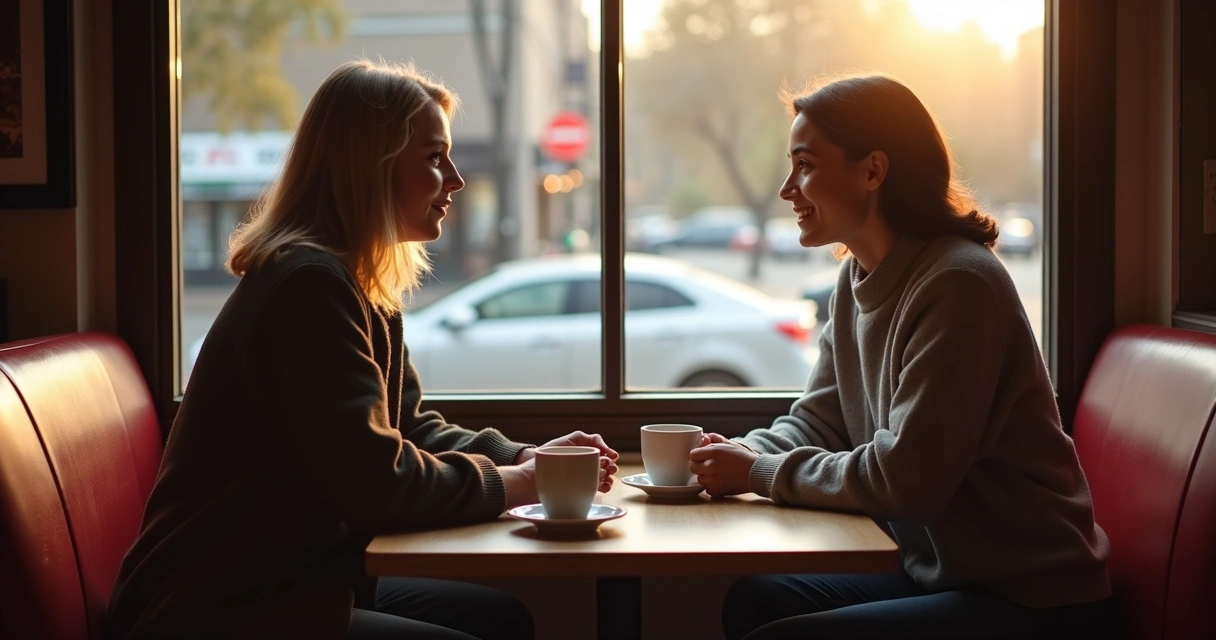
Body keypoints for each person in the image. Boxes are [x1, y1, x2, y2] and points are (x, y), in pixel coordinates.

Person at [106, 59, 618, 640]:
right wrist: (519, 482)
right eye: (434, 157)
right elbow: (380, 487)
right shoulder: (306, 287)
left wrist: (527, 455)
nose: (455, 179)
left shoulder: (355, 283)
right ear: (371, 168)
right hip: (216, 606)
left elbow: (408, 428)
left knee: (502, 619)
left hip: (293, 581)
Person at [688, 75, 1115, 640]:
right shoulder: (854, 281)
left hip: (1031, 596)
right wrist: (738, 453)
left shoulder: (960, 283)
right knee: (756, 597)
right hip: (940, 575)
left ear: (873, 171)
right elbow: (819, 421)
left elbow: (906, 482)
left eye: (805, 165)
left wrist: (758, 473)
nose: (788, 188)